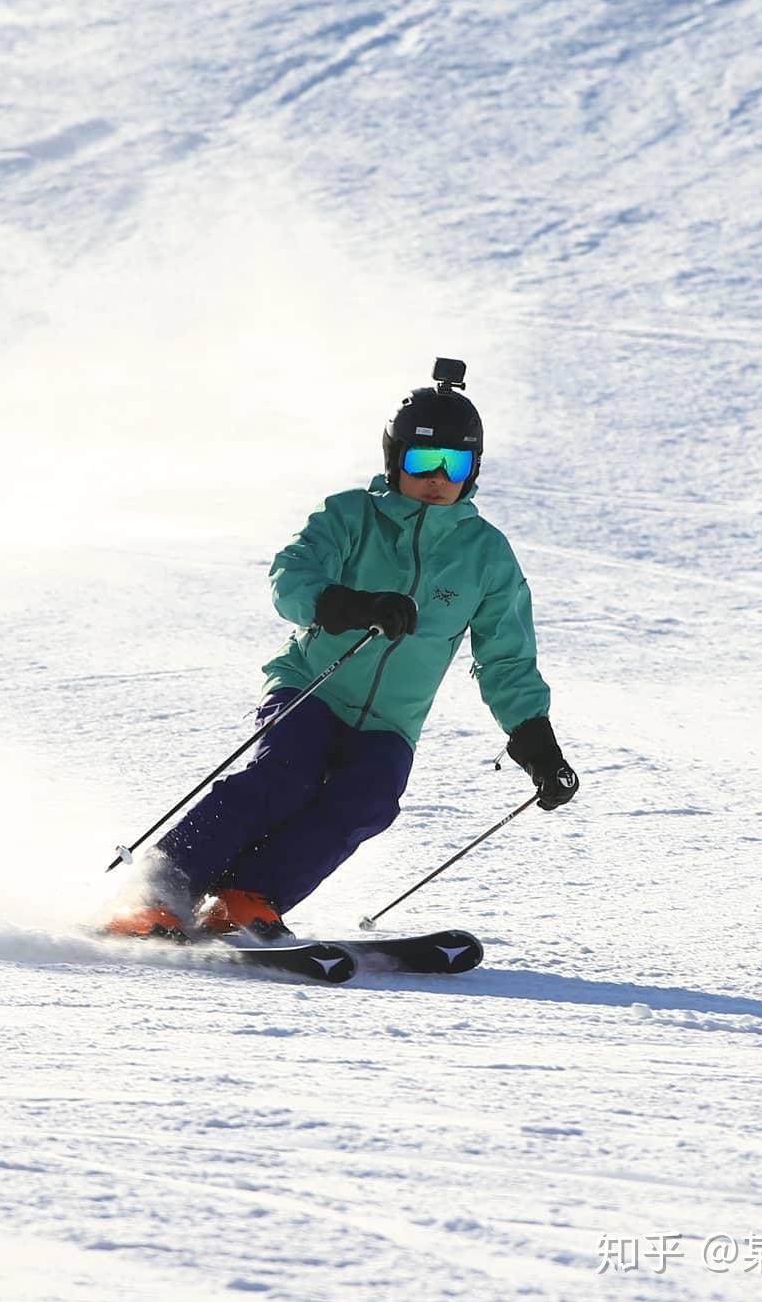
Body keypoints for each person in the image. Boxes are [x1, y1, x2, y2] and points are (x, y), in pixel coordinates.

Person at [103, 360, 577, 940]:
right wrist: (349, 605)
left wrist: (536, 743)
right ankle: (158, 890)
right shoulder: (351, 516)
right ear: (393, 459)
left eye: (452, 464)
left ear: (472, 471)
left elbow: (506, 655)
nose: (435, 478)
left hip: (391, 720)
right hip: (313, 683)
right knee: (285, 775)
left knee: (367, 802)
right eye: (420, 461)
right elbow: (291, 575)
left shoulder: (487, 556)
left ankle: (246, 897)